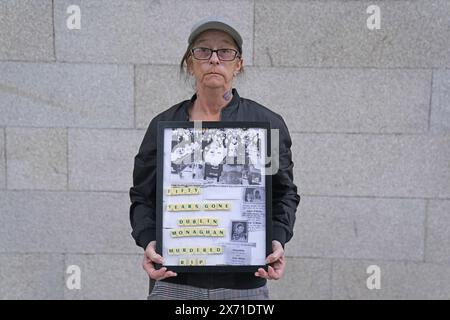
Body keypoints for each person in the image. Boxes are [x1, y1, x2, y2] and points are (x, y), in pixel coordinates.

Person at [129, 16, 300, 300]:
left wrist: (277, 239)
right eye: (203, 51)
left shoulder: (266, 124)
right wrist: (148, 240)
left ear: (238, 64)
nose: (214, 59)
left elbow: (283, 193)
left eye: (225, 51)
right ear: (190, 63)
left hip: (244, 284)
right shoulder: (163, 126)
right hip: (175, 281)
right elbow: (142, 196)